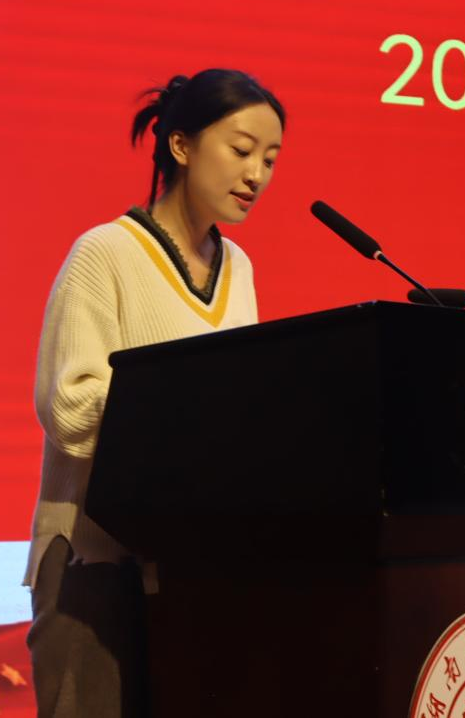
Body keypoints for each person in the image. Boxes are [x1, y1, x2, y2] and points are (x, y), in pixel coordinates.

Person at [22, 69, 286, 718]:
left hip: (193, 565)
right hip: (92, 565)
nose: (256, 174)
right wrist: (188, 405)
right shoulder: (104, 253)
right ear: (181, 145)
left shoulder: (240, 267)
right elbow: (69, 407)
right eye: (241, 149)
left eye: (270, 159)